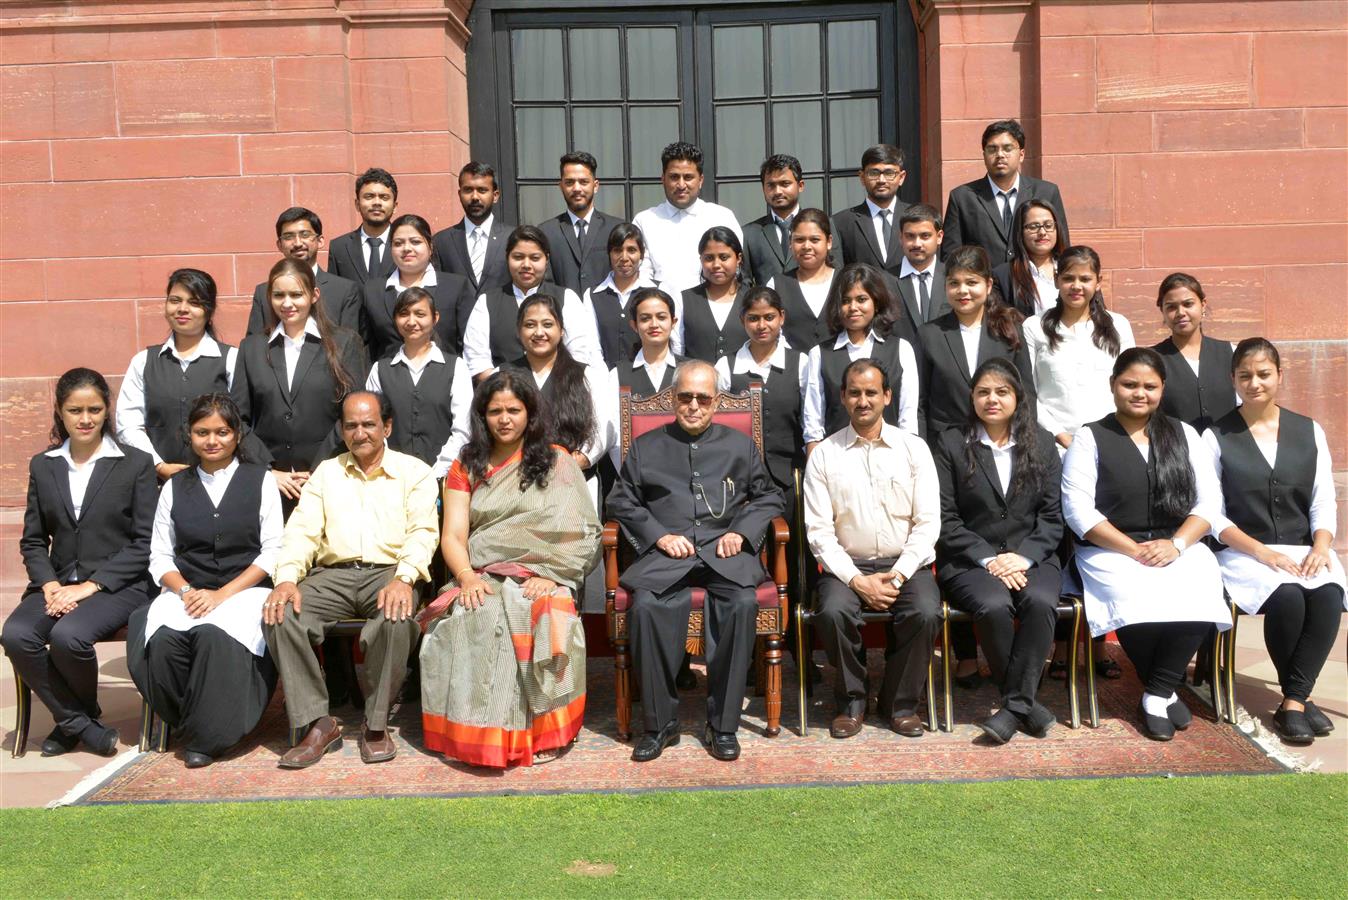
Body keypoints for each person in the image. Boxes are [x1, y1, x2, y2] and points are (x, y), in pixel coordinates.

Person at [419, 370, 601, 767]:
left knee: (543, 613)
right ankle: (478, 735)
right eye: (495, 411)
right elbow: (452, 535)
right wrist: (466, 577)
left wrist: (552, 576)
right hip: (483, 570)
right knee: (473, 615)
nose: (504, 419)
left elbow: (584, 529)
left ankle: (545, 732)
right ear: (482, 416)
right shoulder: (466, 464)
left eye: (514, 410)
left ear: (530, 413)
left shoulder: (557, 460)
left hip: (546, 573)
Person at [607, 361, 786, 762]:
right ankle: (660, 725)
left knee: (741, 604)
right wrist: (659, 535)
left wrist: (740, 532)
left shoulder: (739, 445)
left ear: (716, 401)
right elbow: (620, 500)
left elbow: (770, 496)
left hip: (725, 556)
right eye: (685, 397)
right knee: (647, 607)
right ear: (673, 399)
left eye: (702, 399)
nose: (693, 406)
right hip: (669, 558)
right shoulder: (647, 446)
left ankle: (722, 726)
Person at [263, 390, 439, 768]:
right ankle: (318, 722)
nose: (360, 433)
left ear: (387, 427)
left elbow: (424, 532)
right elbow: (302, 532)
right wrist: (287, 579)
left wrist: (405, 578)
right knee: (281, 614)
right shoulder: (327, 473)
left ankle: (376, 726)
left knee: (396, 619)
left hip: (390, 573)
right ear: (342, 430)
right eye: (352, 425)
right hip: (332, 576)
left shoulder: (415, 472)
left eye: (369, 424)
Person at [1061, 347, 1230, 741]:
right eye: (1130, 384)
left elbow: (1209, 502)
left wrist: (1177, 544)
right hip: (1111, 549)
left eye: (1150, 386)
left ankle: (1156, 693)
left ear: (1162, 389)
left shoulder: (1185, 434)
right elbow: (1078, 511)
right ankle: (1166, 689)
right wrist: (1133, 550)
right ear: (1113, 386)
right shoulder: (1090, 437)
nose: (1140, 393)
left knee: (1202, 582)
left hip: (1176, 544)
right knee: (1133, 591)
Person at [3, 368, 156, 757]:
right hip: (56, 582)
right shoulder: (44, 464)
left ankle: (72, 724)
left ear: (107, 410)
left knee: (68, 636)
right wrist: (51, 585)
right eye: (75, 410)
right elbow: (34, 539)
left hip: (117, 584)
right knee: (17, 635)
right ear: (60, 412)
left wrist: (89, 587)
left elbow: (145, 543)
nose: (85, 419)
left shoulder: (134, 463)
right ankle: (80, 721)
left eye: (94, 409)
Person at [125, 394, 282, 768]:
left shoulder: (260, 480)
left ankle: (211, 736)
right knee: (160, 639)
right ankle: (187, 721)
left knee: (213, 637)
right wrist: (186, 590)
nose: (212, 440)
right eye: (202, 432)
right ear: (189, 435)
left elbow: (273, 550)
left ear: (237, 435)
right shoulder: (175, 487)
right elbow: (160, 555)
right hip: (188, 591)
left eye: (222, 432)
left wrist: (222, 595)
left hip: (244, 590)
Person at [1202, 338, 1344, 743]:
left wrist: (1321, 546)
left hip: (1303, 549)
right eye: (1245, 375)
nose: (1255, 383)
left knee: (1328, 594)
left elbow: (1323, 499)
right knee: (1289, 598)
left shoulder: (1308, 430)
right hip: (1244, 551)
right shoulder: (1216, 435)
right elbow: (1211, 514)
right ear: (1233, 379)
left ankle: (1294, 700)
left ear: (1280, 376)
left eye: (1264, 374)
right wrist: (1261, 551)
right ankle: (1298, 702)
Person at [804, 360, 940, 739]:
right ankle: (851, 702)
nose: (863, 401)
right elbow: (818, 532)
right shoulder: (825, 455)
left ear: (887, 396)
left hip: (906, 564)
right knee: (831, 612)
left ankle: (899, 704)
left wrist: (896, 575)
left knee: (927, 613)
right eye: (854, 393)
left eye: (871, 393)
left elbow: (928, 523)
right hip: (846, 567)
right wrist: (858, 581)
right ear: (843, 397)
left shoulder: (914, 450)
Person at [933, 359, 1064, 743]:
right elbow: (946, 517)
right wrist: (990, 558)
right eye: (983, 391)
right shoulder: (951, 443)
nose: (992, 399)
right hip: (971, 559)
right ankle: (1026, 705)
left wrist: (1021, 557)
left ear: (1017, 397)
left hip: (1031, 556)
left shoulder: (1041, 443)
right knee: (992, 605)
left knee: (1040, 602)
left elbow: (1052, 517)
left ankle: (1014, 707)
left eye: (1002, 391)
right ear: (971, 397)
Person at [231, 258, 368, 508]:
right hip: (270, 485)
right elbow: (237, 418)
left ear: (314, 294)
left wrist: (320, 469)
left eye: (296, 294)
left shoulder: (345, 343)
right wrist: (268, 470)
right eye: (278, 295)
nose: (287, 303)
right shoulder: (251, 348)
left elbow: (352, 414)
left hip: (331, 479)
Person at [117, 268, 238, 481]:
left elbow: (245, 421)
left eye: (194, 302)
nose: (183, 309)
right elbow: (127, 424)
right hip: (158, 484)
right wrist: (158, 465)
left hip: (222, 481)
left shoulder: (231, 359)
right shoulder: (143, 362)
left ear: (209, 311)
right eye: (175, 300)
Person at [1023, 246, 1135, 454]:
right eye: (1068, 279)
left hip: (1112, 440)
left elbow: (1132, 383)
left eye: (1085, 279)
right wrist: (1061, 435)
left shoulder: (1118, 325)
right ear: (1056, 280)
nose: (1076, 286)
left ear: (1098, 282)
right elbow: (1028, 392)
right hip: (1054, 446)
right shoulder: (1034, 326)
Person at [508, 294, 613, 509]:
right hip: (513, 485)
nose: (539, 332)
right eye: (530, 325)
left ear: (561, 330)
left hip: (573, 484)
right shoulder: (503, 376)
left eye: (547, 324)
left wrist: (580, 459)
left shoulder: (586, 375)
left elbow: (604, 427)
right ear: (519, 331)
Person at [461, 225, 603, 380]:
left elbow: (579, 354)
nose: (526, 265)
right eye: (518, 257)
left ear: (546, 259)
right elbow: (477, 362)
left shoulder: (567, 299)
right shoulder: (486, 302)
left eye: (535, 258)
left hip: (558, 393)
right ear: (507, 257)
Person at [921, 245, 1034, 439]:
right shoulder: (930, 334)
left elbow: (1027, 394)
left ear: (988, 285)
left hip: (1001, 440)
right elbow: (920, 402)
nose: (962, 291)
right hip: (945, 443)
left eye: (972, 282)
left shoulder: (1009, 329)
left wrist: (1025, 440)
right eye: (954, 283)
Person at [803, 262, 920, 448]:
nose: (853, 307)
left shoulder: (901, 349)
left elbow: (908, 420)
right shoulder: (819, 354)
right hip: (837, 458)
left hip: (891, 457)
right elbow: (813, 426)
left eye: (861, 299)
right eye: (846, 301)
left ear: (877, 302)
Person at [364, 287, 473, 478]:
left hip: (445, 477)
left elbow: (463, 429)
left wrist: (437, 472)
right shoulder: (380, 370)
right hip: (392, 478)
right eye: (404, 314)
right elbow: (373, 425)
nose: (411, 321)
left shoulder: (456, 367)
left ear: (435, 317)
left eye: (420, 314)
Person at [941, 119, 1070, 263]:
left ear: (1021, 155)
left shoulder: (1046, 192)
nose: (1000, 155)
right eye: (992, 149)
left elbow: (1062, 247)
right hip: (985, 283)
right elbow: (950, 257)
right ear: (984, 155)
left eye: (1007, 148)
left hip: (1033, 282)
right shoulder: (963, 197)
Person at [633, 142, 742, 295]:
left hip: (712, 309)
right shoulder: (645, 221)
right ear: (663, 179)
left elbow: (736, 270)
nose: (681, 185)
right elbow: (641, 275)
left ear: (701, 180)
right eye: (674, 177)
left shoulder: (722, 217)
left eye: (688, 177)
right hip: (662, 312)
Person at [360, 213, 475, 360]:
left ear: (430, 247)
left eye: (415, 242)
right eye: (398, 243)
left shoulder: (455, 287)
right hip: (388, 378)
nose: (406, 248)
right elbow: (368, 346)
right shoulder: (373, 290)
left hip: (444, 377)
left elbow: (468, 344)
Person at [246, 207, 364, 337]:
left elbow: (350, 346)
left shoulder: (344, 290)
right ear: (279, 245)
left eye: (305, 235)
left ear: (320, 241)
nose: (297, 243)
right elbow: (254, 348)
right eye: (288, 236)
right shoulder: (263, 293)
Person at [1151, 272, 1238, 433]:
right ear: (1162, 310)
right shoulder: (1151, 360)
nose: (1180, 313)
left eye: (1188, 304)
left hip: (1227, 453)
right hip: (1175, 452)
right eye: (1171, 307)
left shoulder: (1231, 353)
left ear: (1203, 304)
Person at [742, 154, 839, 285]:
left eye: (785, 184)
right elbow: (744, 284)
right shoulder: (750, 233)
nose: (777, 191)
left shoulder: (825, 225)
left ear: (800, 185)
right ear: (763, 189)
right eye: (771, 185)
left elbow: (837, 270)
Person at [538, 151, 621, 297]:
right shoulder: (546, 232)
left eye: (583, 182)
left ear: (595, 186)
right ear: (561, 186)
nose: (577, 188)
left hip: (606, 316)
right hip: (561, 314)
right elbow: (545, 284)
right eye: (569, 182)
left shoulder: (615, 228)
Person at [432, 161, 515, 296]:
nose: (475, 197)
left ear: (495, 196)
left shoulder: (513, 238)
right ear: (459, 195)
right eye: (468, 190)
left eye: (482, 190)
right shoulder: (441, 241)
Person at [583, 222, 660, 369]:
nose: (624, 257)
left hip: (651, 381)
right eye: (617, 250)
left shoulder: (659, 292)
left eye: (631, 250)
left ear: (641, 254)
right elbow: (592, 347)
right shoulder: (592, 295)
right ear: (609, 254)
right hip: (607, 380)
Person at [765, 208, 837, 353]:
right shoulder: (776, 284)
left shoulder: (846, 281)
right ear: (790, 243)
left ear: (829, 242)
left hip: (840, 369)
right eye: (799, 240)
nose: (806, 246)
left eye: (815, 240)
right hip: (793, 371)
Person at [832, 144, 910, 275]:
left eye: (889, 173)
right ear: (862, 177)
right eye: (874, 173)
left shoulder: (916, 218)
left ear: (901, 177)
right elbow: (838, 274)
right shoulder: (841, 223)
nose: (881, 180)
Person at [678, 226, 752, 363]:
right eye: (709, 258)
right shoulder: (684, 300)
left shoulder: (753, 299)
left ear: (738, 258)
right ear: (701, 259)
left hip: (743, 382)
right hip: (696, 382)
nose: (716, 264)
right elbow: (678, 349)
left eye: (724, 257)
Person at [992, 200, 1068, 317]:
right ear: (1020, 232)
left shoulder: (1074, 267)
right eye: (1033, 227)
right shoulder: (1003, 276)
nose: (1042, 232)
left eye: (1048, 226)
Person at [325, 168, 398, 284]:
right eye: (369, 196)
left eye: (384, 197)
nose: (377, 202)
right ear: (357, 204)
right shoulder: (339, 247)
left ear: (395, 206)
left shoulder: (408, 245)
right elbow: (335, 294)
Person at [895, 203, 950, 326]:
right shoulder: (883, 281)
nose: (917, 244)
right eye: (910, 236)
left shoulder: (952, 277)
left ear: (939, 237)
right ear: (901, 238)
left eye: (925, 236)